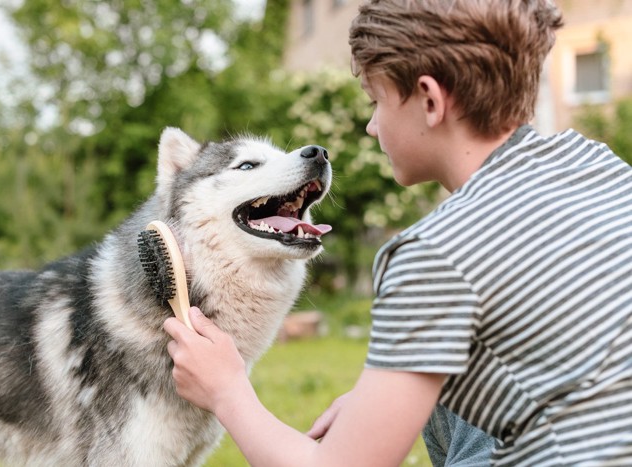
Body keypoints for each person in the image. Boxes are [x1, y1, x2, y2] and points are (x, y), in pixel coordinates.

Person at [164, 0, 632, 465]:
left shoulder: (433, 253)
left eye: (376, 101)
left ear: (429, 100)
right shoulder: (597, 164)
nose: (370, 126)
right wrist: (384, 401)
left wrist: (228, 393)